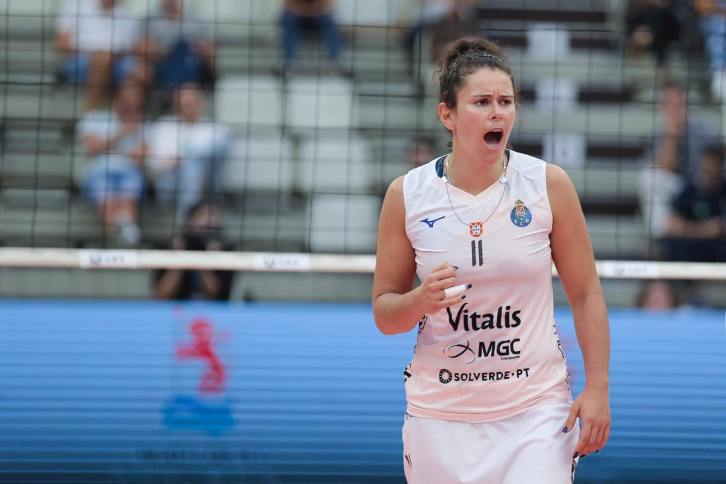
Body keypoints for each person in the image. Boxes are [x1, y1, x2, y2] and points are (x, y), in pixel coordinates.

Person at [372, 36, 611, 482]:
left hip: (535, 410)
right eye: (482, 102)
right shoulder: (407, 194)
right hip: (440, 414)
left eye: (506, 101)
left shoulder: (547, 185)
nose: (497, 112)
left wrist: (597, 387)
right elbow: (385, 314)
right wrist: (419, 301)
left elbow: (585, 294)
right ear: (447, 115)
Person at [147, 83, 231, 219]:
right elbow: (152, 164)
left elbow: (216, 162)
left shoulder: (217, 130)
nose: (188, 108)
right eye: (184, 105)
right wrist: (172, 163)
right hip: (169, 183)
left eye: (191, 103)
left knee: (193, 168)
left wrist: (185, 160)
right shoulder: (163, 126)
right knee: (191, 169)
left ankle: (187, 220)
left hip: (206, 185)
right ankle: (190, 219)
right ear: (176, 105)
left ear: (201, 103)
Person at [79, 80, 147, 247]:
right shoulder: (95, 118)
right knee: (108, 202)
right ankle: (123, 233)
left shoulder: (142, 124)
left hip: (129, 171)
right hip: (99, 171)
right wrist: (123, 132)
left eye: (137, 99)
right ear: (117, 98)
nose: (133, 103)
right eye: (129, 98)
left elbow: (140, 156)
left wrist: (107, 147)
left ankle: (123, 233)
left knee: (127, 199)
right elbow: (92, 148)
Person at [55, 0, 145, 112]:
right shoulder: (76, 5)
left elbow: (132, 48)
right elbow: (62, 45)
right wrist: (96, 51)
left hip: (117, 61)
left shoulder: (127, 12)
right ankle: (90, 113)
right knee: (102, 59)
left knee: (143, 71)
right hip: (80, 60)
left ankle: (127, 117)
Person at [152, 200, 234, 301]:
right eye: (202, 215)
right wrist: (178, 260)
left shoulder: (225, 250)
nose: (208, 221)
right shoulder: (171, 246)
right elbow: (161, 295)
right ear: (190, 220)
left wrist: (207, 261)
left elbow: (216, 295)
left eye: (212, 215)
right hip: (175, 306)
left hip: (210, 308)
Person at [660, 144, 726, 261]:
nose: (710, 173)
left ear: (720, 167)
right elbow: (671, 225)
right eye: (706, 168)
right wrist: (705, 230)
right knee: (670, 244)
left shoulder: (722, 190)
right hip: (692, 248)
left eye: (714, 167)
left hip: (719, 248)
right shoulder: (689, 191)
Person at [142, 0, 216, 97]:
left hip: (191, 66)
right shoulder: (152, 21)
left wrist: (196, 47)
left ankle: (181, 93)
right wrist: (166, 51)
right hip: (164, 66)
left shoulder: (195, 18)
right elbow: (144, 48)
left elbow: (209, 49)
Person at [280, 0, 345, 76]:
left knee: (329, 20)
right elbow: (288, 6)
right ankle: (289, 61)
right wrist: (310, 10)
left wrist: (305, 10)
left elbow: (328, 7)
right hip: (298, 18)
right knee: (288, 19)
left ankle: (334, 60)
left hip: (317, 18)